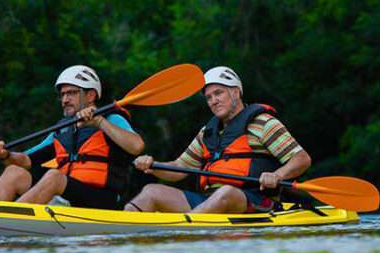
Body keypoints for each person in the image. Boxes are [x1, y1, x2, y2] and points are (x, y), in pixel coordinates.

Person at [125, 66, 311, 213]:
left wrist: (277, 175)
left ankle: (187, 230)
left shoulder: (262, 123)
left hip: (254, 200)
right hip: (209, 201)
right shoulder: (207, 133)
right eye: (208, 97)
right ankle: (121, 228)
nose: (213, 101)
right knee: (151, 191)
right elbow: (179, 169)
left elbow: (301, 159)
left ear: (236, 92)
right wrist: (153, 165)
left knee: (226, 192)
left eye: (219, 93)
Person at [0, 65, 145, 208]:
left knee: (54, 176)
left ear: (90, 95)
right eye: (62, 95)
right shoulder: (62, 129)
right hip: (67, 193)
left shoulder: (111, 119)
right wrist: (6, 154)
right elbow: (27, 160)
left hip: (102, 198)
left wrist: (99, 122)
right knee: (13, 171)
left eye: (72, 93)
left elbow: (137, 146)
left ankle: (10, 220)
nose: (65, 100)